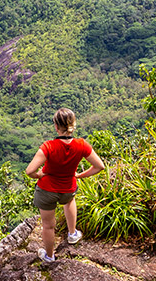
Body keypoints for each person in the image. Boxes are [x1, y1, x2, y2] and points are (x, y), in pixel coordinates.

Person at [25, 108, 105, 262]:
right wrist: (80, 175)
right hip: (68, 188)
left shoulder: (48, 146)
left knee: (48, 226)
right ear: (73, 125)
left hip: (47, 190)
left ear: (56, 126)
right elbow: (99, 166)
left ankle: (49, 256)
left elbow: (29, 171)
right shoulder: (82, 145)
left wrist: (39, 175)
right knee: (69, 201)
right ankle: (72, 233)